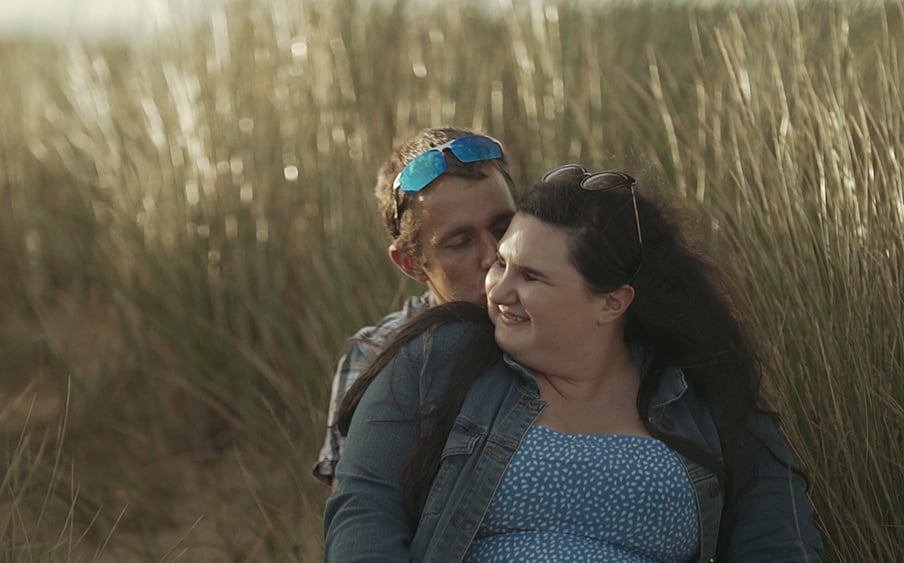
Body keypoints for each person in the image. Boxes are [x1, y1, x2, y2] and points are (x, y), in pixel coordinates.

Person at [324, 164, 824, 561]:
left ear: (612, 302)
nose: (497, 289)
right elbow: (366, 509)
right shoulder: (438, 355)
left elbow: (780, 543)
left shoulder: (704, 392)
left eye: (533, 278)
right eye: (503, 262)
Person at [312, 127, 518, 486]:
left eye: (503, 227)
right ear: (411, 264)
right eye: (460, 242)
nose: (493, 255)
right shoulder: (377, 355)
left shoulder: (569, 317)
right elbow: (358, 518)